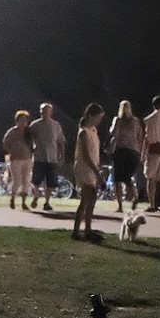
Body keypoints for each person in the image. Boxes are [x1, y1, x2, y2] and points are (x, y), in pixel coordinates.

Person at [71, 103, 105, 241]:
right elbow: (85, 155)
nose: (99, 121)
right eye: (98, 117)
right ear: (90, 116)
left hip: (92, 167)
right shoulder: (83, 132)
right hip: (85, 167)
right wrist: (97, 173)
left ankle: (88, 229)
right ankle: (76, 231)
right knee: (86, 199)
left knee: (92, 199)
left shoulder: (93, 131)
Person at [27, 102, 64, 213]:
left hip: (52, 158)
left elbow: (60, 141)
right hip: (39, 157)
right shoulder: (35, 125)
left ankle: (47, 202)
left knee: (51, 182)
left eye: (47, 111)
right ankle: (36, 196)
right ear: (40, 112)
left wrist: (61, 155)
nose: (45, 113)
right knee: (35, 181)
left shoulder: (56, 125)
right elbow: (28, 139)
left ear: (51, 112)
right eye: (43, 110)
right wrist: (30, 149)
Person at [107, 100, 143, 212]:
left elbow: (113, 133)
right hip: (133, 152)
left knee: (117, 179)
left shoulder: (118, 120)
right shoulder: (136, 121)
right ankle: (135, 196)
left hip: (121, 150)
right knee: (127, 178)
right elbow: (140, 136)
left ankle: (120, 205)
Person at [2, 110, 33, 209]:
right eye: (21, 119)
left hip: (27, 158)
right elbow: (5, 143)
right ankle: (13, 199)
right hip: (16, 159)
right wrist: (13, 151)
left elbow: (33, 143)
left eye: (25, 119)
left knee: (26, 180)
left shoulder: (29, 132)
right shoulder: (12, 132)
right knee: (17, 180)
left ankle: (24, 202)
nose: (24, 122)